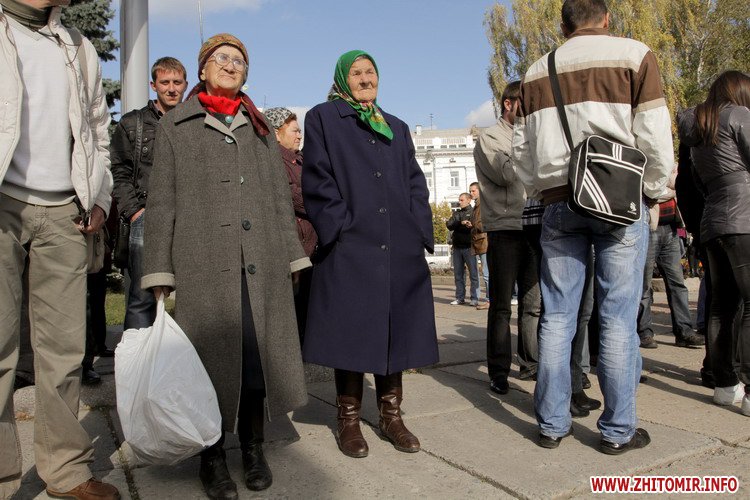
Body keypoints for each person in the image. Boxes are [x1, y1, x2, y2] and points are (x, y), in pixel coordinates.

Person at [141, 34, 310, 498]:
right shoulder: (176, 125)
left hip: (259, 261)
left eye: (239, 60)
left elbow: (279, 198)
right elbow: (162, 202)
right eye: (222, 58)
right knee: (205, 363)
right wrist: (159, 270)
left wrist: (293, 253)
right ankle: (211, 456)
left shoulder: (259, 129)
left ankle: (253, 447)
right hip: (202, 263)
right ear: (203, 70)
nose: (232, 65)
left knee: (255, 361)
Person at [513, 0, 673, 453]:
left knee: (558, 316)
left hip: (559, 200)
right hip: (620, 199)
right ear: (606, 18)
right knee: (618, 318)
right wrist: (654, 189)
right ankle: (618, 431)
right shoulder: (634, 55)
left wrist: (540, 187)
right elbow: (654, 132)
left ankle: (551, 424)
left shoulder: (535, 72)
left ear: (564, 25)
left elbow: (521, 146)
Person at [0, 1, 120, 498]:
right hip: (3, 202)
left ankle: (66, 469)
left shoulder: (78, 46)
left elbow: (98, 131)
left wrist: (99, 196)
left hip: (67, 212)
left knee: (65, 352)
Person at [302, 49, 438, 459]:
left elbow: (415, 182)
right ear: (343, 78)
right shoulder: (324, 118)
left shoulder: (395, 125)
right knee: (351, 331)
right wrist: (340, 227)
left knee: (396, 328)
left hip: (398, 246)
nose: (365, 79)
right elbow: (317, 178)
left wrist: (418, 228)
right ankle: (348, 420)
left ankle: (391, 416)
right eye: (357, 73)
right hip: (350, 245)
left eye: (370, 72)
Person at [678, 70, 750, 415]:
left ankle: (724, 384)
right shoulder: (738, 115)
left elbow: (693, 182)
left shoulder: (699, 129)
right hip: (744, 218)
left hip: (713, 221)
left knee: (722, 305)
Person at [111, 57, 188, 331]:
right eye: (165, 82)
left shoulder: (194, 122)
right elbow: (119, 170)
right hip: (147, 217)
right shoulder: (132, 123)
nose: (171, 88)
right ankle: (139, 358)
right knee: (142, 298)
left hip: (188, 218)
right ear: (153, 85)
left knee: (194, 299)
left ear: (185, 84)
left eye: (177, 82)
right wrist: (134, 212)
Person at [474, 81, 539, 393]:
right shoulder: (490, 137)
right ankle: (498, 371)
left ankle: (531, 364)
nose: (529, 109)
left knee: (533, 303)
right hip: (504, 229)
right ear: (508, 104)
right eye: (523, 102)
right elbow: (506, 174)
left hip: (534, 226)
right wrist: (527, 144)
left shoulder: (531, 135)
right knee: (501, 306)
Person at [264, 107, 317, 344]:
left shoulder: (303, 160)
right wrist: (319, 201)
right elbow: (292, 196)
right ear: (276, 133)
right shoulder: (271, 160)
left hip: (310, 248)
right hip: (292, 251)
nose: (299, 135)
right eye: (294, 130)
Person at [637, 165, 705, 349]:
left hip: (672, 230)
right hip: (650, 229)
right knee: (644, 285)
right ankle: (644, 332)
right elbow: (650, 191)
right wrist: (671, 190)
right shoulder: (647, 162)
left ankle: (684, 332)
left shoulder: (670, 163)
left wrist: (670, 187)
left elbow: (679, 185)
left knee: (678, 285)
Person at [446, 193, 481, 306]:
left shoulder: (473, 212)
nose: (459, 202)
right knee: (458, 275)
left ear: (469, 200)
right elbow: (449, 225)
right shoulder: (457, 213)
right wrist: (461, 223)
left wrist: (462, 225)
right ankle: (460, 298)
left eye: (462, 200)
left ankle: (474, 298)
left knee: (473, 274)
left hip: (469, 247)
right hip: (457, 247)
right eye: (459, 200)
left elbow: (474, 226)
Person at [469, 182, 489, 308]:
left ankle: (490, 300)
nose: (471, 193)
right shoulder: (477, 204)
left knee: (487, 274)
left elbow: (484, 223)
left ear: (479, 190)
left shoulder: (482, 203)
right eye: (470, 191)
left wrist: (473, 225)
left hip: (484, 241)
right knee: (486, 273)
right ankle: (490, 300)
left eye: (473, 191)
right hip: (480, 241)